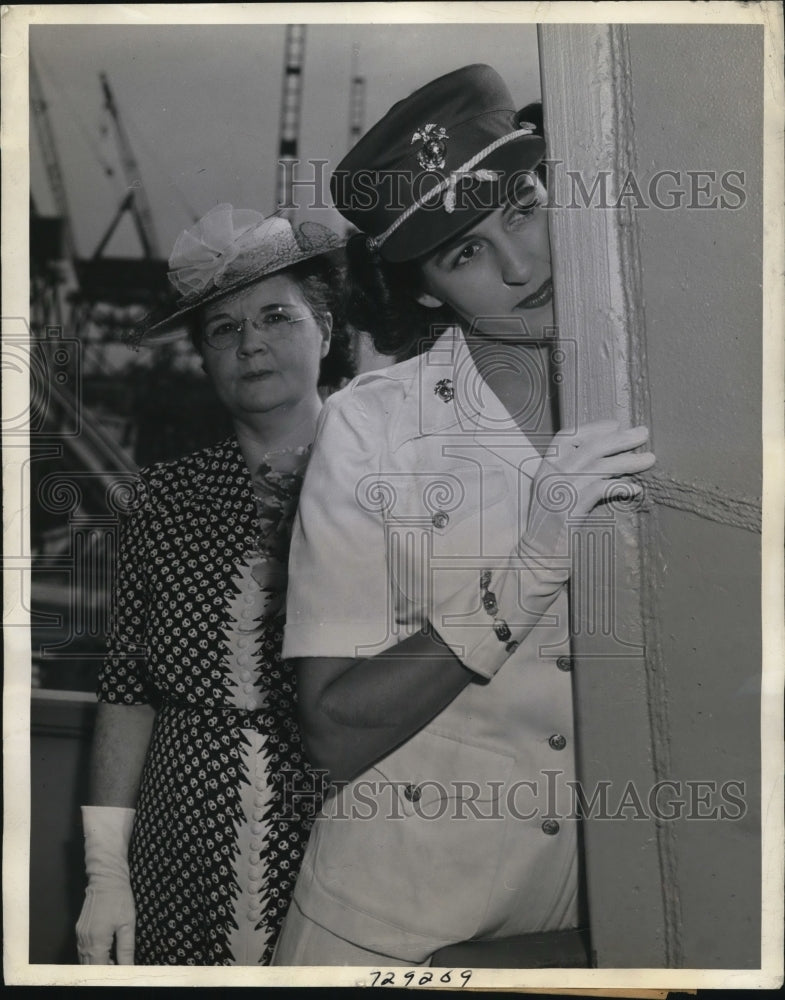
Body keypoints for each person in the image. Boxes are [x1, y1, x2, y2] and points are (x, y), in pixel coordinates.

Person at [272, 65, 656, 966]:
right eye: (464, 252)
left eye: (521, 210)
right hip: (380, 932)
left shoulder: (663, 386)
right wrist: (527, 570)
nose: (521, 267)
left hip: (579, 931)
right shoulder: (369, 427)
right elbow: (330, 733)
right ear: (420, 290)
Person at [75, 205, 354, 965]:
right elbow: (127, 688)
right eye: (222, 330)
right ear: (203, 359)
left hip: (343, 843)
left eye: (275, 316)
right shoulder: (163, 497)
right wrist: (106, 873)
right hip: (175, 847)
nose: (251, 343)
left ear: (324, 333)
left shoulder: (379, 484)